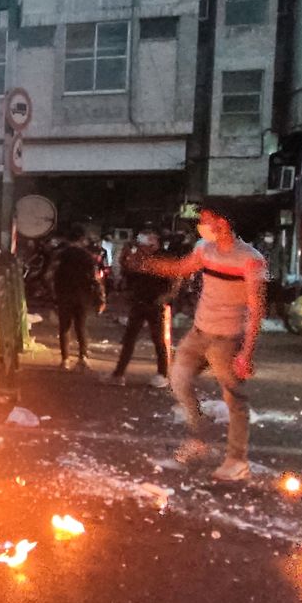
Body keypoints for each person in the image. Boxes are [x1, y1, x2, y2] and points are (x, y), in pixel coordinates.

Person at [139, 199, 266, 483]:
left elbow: (257, 308)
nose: (201, 225)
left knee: (234, 400)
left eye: (206, 220)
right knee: (178, 381)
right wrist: (148, 264)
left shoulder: (250, 259)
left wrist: (247, 352)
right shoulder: (204, 248)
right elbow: (182, 268)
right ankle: (198, 440)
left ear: (223, 223)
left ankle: (237, 461)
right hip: (199, 333)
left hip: (228, 339)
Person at [107, 230, 175, 388]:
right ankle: (119, 374)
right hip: (140, 302)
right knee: (130, 339)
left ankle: (162, 374)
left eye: (143, 246)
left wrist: (166, 297)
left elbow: (174, 280)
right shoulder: (141, 258)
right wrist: (125, 258)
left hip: (155, 303)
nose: (141, 248)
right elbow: (129, 273)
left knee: (158, 340)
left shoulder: (164, 258)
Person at [49, 225, 103, 372]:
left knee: (64, 327)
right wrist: (99, 298)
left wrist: (53, 294)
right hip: (82, 296)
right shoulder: (87, 256)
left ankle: (65, 360)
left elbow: (50, 275)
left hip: (64, 295)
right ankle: (83, 358)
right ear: (82, 239)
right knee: (81, 326)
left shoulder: (60, 255)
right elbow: (95, 279)